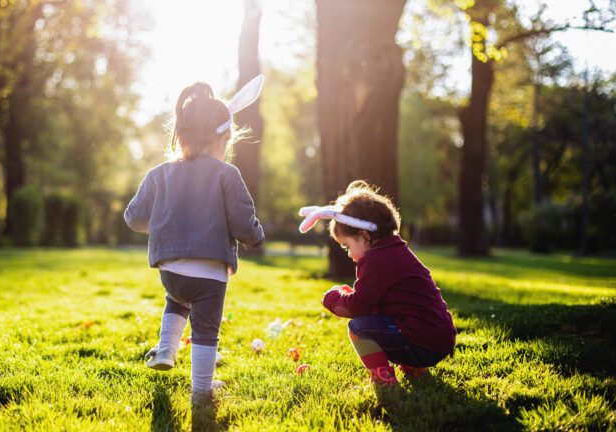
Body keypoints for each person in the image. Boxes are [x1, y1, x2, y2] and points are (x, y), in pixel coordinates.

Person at [124, 80, 265, 403]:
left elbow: (133, 217)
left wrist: (161, 227)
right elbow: (243, 221)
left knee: (177, 300)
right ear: (223, 137)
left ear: (181, 133)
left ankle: (166, 351)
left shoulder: (159, 173)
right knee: (205, 329)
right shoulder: (227, 174)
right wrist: (255, 239)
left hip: (170, 272)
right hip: (210, 274)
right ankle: (201, 392)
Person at [298, 181, 456, 386]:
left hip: (421, 342)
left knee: (358, 328)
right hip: (438, 338)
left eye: (347, 246)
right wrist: (354, 296)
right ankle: (413, 366)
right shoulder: (395, 250)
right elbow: (384, 300)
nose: (348, 253)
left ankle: (383, 378)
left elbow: (358, 306)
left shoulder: (375, 260)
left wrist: (333, 299)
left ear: (364, 236)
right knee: (379, 321)